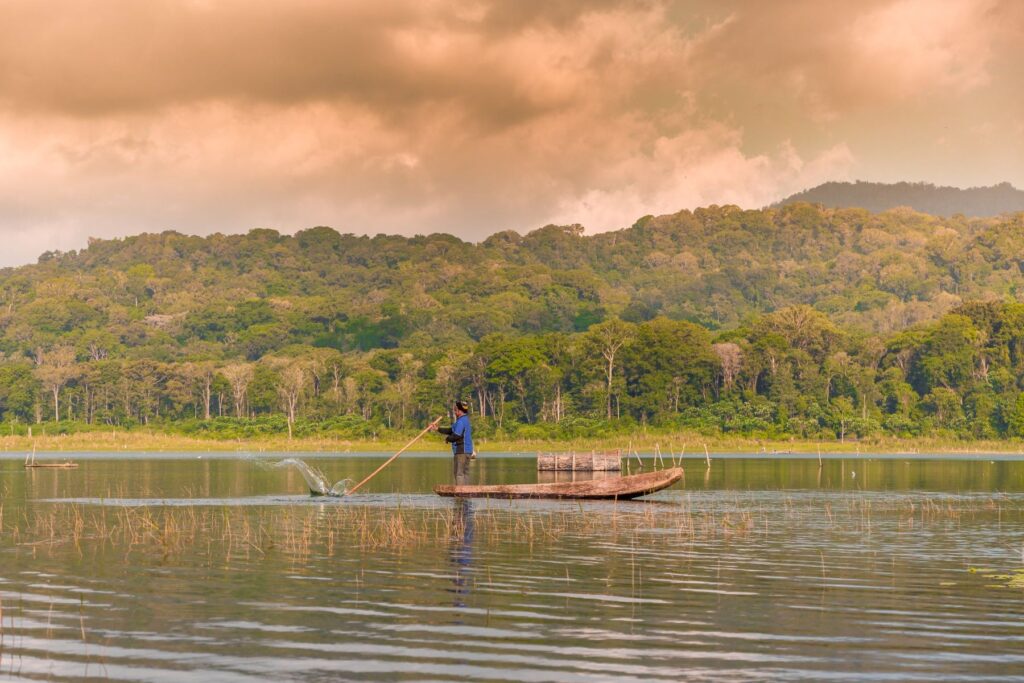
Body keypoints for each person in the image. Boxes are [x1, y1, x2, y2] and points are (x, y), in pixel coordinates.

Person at [432, 400, 474, 484]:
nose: (454, 412)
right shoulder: (464, 420)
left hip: (461, 451)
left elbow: (456, 435)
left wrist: (448, 439)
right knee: (465, 473)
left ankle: (461, 494)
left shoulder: (461, 421)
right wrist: (438, 429)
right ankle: (466, 493)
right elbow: (451, 430)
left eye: (455, 410)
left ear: (459, 411)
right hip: (468, 451)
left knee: (459, 474)